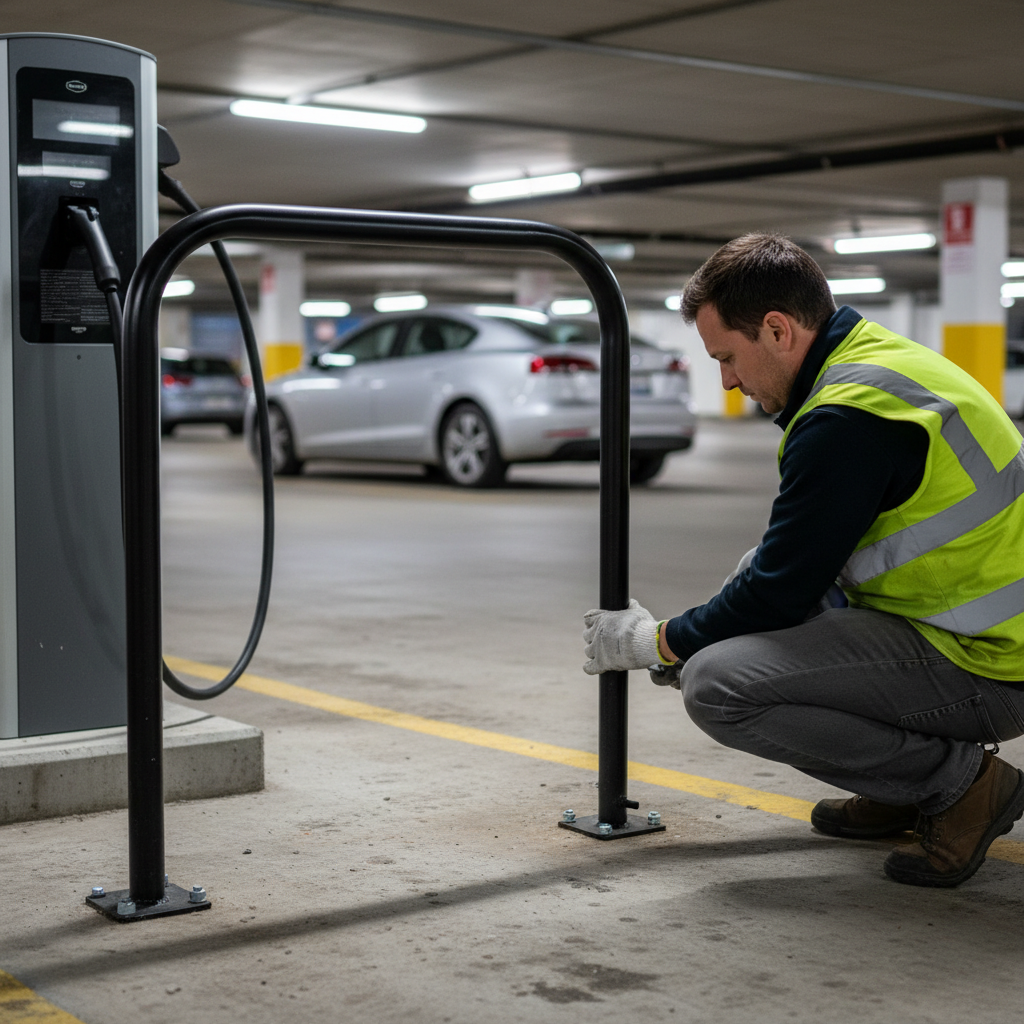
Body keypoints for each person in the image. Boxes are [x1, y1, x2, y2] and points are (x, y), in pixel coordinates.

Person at [582, 233, 1024, 888]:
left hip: (992, 663)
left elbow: (780, 592)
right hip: (971, 629)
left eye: (727, 358)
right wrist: (717, 619)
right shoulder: (876, 364)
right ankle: (903, 787)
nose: (728, 381)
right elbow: (801, 561)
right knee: (740, 622)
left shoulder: (847, 419)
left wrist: (658, 642)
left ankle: (960, 785)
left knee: (719, 687)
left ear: (777, 330)